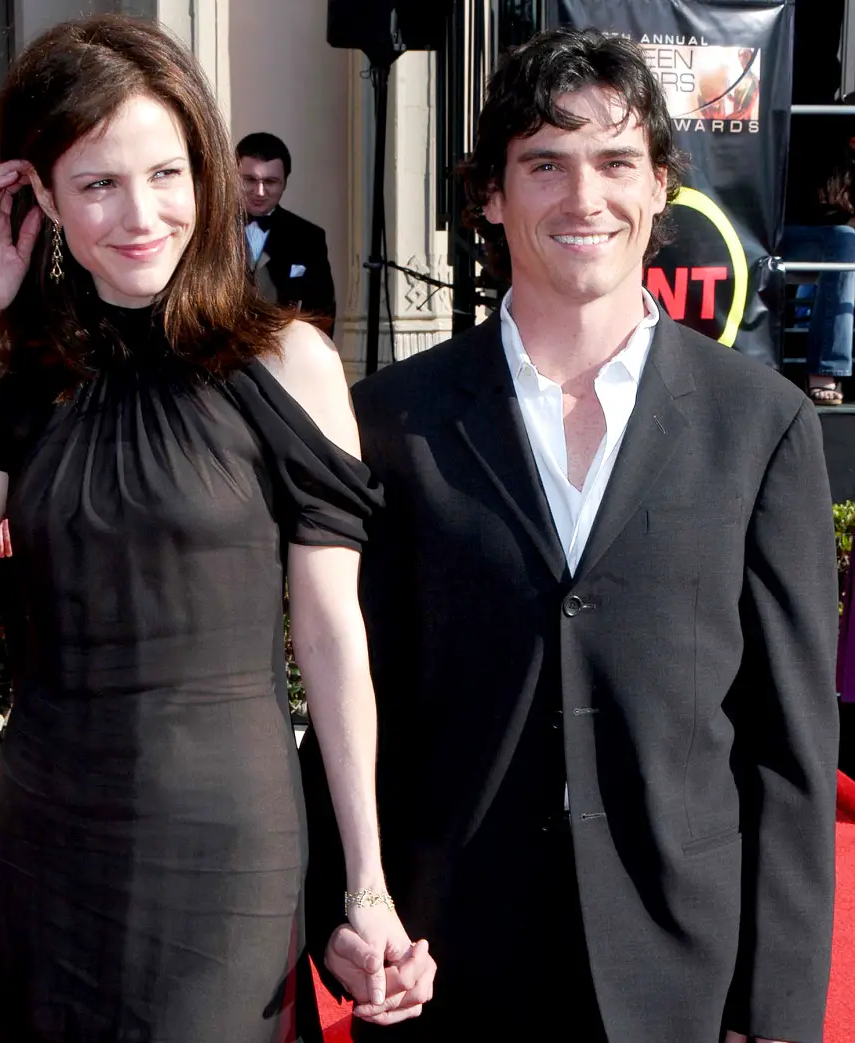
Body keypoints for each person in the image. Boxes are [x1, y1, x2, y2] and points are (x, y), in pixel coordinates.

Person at [0, 15, 431, 1042]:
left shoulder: (283, 365)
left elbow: (330, 638)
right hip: (49, 821)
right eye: (96, 184)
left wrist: (364, 883)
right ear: (39, 195)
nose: (141, 214)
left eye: (168, 174)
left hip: (227, 834)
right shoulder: (22, 372)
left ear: (206, 176)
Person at [300, 27, 839, 1043]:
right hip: (443, 961)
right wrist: (341, 903)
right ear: (493, 195)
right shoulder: (386, 422)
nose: (582, 197)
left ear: (660, 188)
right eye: (544, 162)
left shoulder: (757, 421)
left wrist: (775, 1010)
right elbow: (345, 695)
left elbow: (788, 748)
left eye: (614, 162)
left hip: (682, 965)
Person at [781, 106, 855, 405]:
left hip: (836, 240)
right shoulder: (818, 136)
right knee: (845, 242)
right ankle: (827, 367)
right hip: (795, 235)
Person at [237, 132, 337, 335]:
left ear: (284, 183)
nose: (260, 191)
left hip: (282, 356)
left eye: (271, 182)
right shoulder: (206, 228)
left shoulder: (309, 238)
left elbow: (322, 312)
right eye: (249, 180)